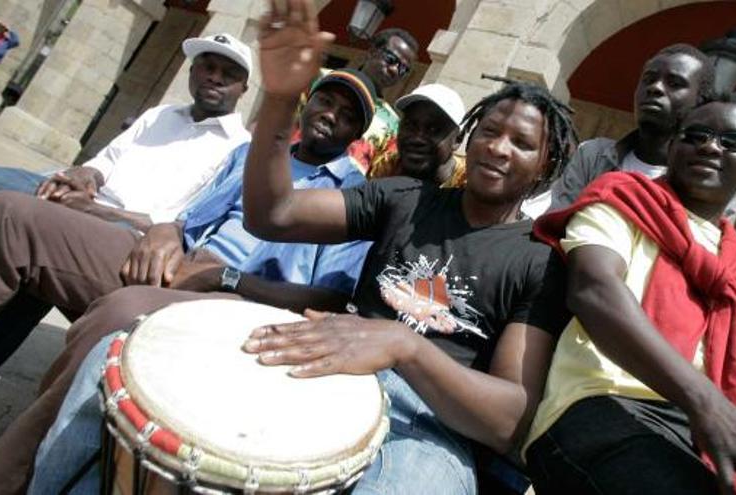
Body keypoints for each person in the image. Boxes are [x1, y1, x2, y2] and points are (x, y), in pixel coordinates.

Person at [0, 77, 467, 494]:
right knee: (11, 215)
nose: (330, 117)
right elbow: (192, 219)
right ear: (305, 104)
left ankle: (14, 473)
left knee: (122, 314)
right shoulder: (253, 154)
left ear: (357, 136)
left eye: (347, 116)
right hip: (178, 262)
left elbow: (330, 296)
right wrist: (166, 232)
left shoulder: (355, 193)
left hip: (246, 299)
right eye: (325, 102)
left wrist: (227, 278)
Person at [238, 1, 573, 492]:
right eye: (490, 132)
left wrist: (404, 346)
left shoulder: (539, 259)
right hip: (331, 376)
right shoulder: (403, 197)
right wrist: (280, 99)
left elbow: (509, 420)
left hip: (431, 430)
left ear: (544, 167)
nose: (499, 148)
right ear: (470, 139)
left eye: (521, 143)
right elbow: (273, 214)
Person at [524, 92, 736, 495]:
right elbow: (595, 292)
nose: (711, 146)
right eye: (697, 135)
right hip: (598, 406)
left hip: (700, 437)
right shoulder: (620, 202)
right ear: (673, 145)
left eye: (733, 142)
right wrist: (709, 405)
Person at [0, 32, 251, 229]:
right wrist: (85, 173)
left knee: (14, 213)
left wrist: (94, 211)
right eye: (208, 67)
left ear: (244, 89)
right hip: (84, 201)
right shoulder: (160, 114)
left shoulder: (241, 149)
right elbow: (107, 161)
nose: (215, 78)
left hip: (126, 232)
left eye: (229, 74)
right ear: (192, 71)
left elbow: (184, 224)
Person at [548, 44, 736, 222]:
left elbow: (705, 254)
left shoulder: (718, 186)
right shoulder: (593, 155)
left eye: (674, 83)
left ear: (700, 102)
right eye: (649, 80)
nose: (655, 88)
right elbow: (553, 225)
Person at [293, 27, 420, 180]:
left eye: (403, 69)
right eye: (391, 59)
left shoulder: (393, 126)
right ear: (372, 51)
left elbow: (377, 176)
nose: (394, 70)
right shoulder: (321, 79)